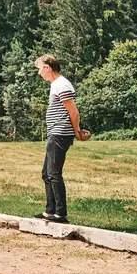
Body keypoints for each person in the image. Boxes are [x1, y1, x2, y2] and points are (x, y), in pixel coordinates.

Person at [34, 54, 90, 224]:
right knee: (47, 173)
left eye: (39, 69)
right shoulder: (56, 85)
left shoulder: (62, 84)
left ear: (47, 67)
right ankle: (50, 212)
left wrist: (77, 132)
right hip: (55, 133)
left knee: (54, 173)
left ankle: (60, 214)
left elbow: (73, 112)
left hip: (60, 133)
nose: (39, 73)